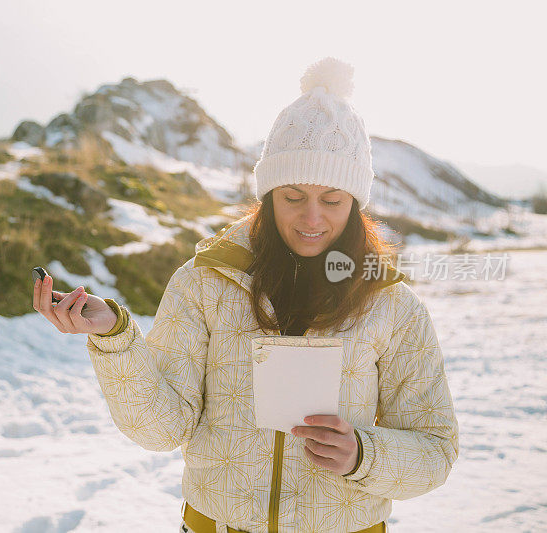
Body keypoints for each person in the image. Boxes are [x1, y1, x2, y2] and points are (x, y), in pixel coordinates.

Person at [33, 57, 459, 533]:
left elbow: (436, 450)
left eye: (333, 200)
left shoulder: (393, 305)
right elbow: (162, 428)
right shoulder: (205, 283)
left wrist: (365, 454)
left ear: (356, 202)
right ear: (268, 194)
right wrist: (115, 338)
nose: (312, 218)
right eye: (293, 196)